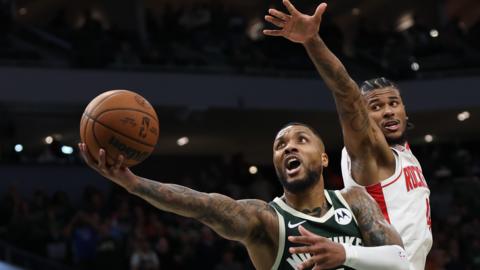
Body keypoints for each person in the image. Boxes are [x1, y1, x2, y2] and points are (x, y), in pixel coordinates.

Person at [78, 122, 409, 270]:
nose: (289, 146)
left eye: (301, 140)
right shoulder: (264, 219)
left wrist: (344, 255)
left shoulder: (353, 201)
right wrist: (134, 184)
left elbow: (401, 262)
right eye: (280, 145)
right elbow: (201, 204)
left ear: (324, 159)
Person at [263, 1, 432, 269]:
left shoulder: (404, 154)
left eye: (393, 103)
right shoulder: (371, 154)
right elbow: (347, 94)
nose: (387, 112)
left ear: (405, 111)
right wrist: (313, 41)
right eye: (375, 107)